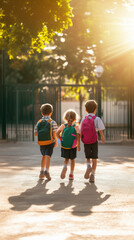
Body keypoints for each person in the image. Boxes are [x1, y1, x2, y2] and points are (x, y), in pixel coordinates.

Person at [80, 100, 105, 183]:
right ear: (95, 109)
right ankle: (92, 175)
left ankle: (88, 166)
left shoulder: (84, 119)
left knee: (87, 157)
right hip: (94, 141)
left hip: (86, 141)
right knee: (94, 158)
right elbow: (100, 129)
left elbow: (80, 130)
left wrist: (79, 142)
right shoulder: (97, 118)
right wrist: (102, 137)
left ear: (86, 110)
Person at [34, 103, 58, 180]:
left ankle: (41, 171)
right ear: (51, 112)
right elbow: (55, 132)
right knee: (48, 156)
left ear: (42, 113)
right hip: (50, 142)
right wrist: (56, 141)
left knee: (43, 156)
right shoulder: (52, 122)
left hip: (42, 142)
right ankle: (47, 171)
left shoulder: (39, 122)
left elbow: (35, 133)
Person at [56, 109, 80, 180]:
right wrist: (78, 145)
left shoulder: (63, 126)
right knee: (72, 160)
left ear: (65, 118)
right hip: (73, 146)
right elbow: (78, 136)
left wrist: (60, 139)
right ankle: (71, 174)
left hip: (65, 145)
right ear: (75, 118)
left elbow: (57, 133)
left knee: (66, 159)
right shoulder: (76, 127)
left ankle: (65, 166)